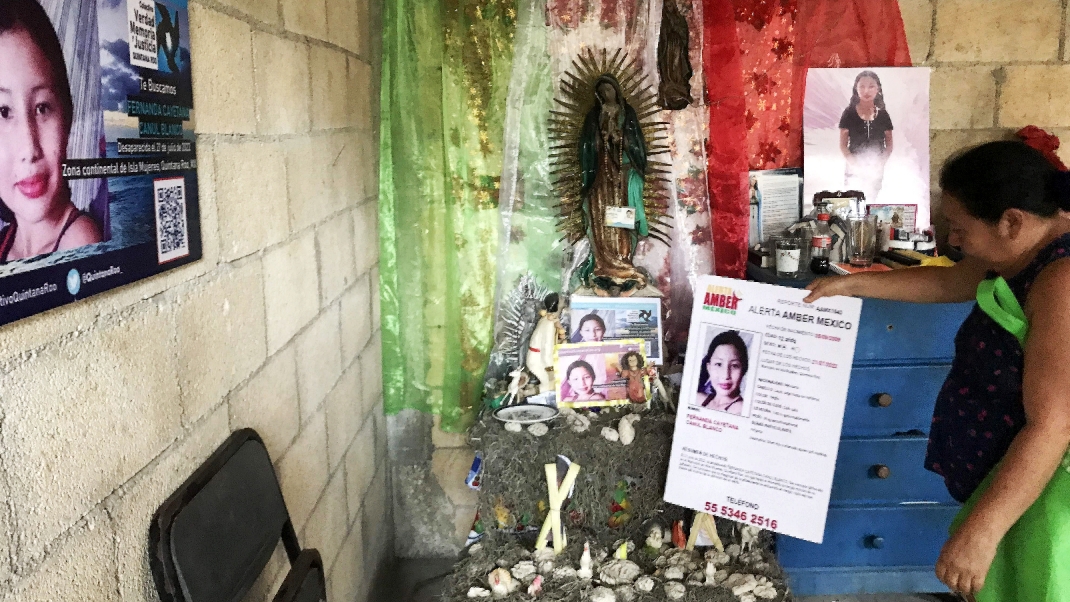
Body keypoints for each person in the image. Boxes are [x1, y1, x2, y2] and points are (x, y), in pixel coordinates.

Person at [805, 140, 1070, 601]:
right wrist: (852, 284)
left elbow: (1053, 424)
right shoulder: (1014, 256)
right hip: (1002, 476)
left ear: (1012, 221)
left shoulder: (1060, 282)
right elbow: (953, 279)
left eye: (961, 227)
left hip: (1040, 494)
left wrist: (981, 533)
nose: (953, 240)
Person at [0, 0, 102, 264]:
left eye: (43, 108)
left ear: (66, 117)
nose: (30, 148)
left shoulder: (79, 242)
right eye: (3, 112)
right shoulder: (5, 243)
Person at [578, 73, 648, 292]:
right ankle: (604, 265)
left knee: (622, 219)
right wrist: (601, 140)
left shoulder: (627, 114)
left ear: (616, 89)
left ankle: (623, 263)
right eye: (602, 92)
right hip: (601, 178)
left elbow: (638, 145)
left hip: (623, 176)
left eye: (609, 89)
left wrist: (622, 140)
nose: (606, 94)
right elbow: (586, 146)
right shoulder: (594, 115)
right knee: (600, 219)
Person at [838, 70, 893, 204]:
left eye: (871, 86)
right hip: (854, 168)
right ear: (856, 88)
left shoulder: (883, 114)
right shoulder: (848, 113)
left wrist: (880, 162)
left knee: (872, 201)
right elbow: (843, 145)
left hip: (876, 167)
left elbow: (889, 145)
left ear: (878, 88)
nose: (866, 91)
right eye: (862, 86)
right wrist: (854, 163)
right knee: (853, 203)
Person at [696, 330, 749, 415]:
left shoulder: (741, 410)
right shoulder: (697, 399)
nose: (725, 375)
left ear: (743, 369)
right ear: (709, 368)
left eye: (734, 365)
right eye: (719, 364)